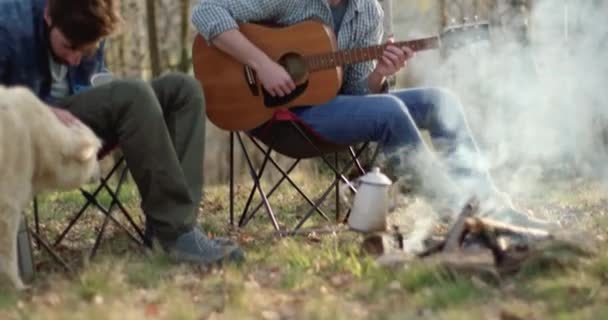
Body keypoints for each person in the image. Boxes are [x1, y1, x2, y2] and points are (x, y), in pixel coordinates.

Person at [191, 0, 558, 228]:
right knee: (391, 110)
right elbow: (206, 11)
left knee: (440, 100)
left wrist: (380, 73)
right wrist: (262, 65)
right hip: (284, 120)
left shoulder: (369, 12)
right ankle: (456, 209)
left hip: (333, 111)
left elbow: (353, 95)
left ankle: (488, 200)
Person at [0, 0, 244, 264]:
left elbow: (92, 82)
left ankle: (177, 227)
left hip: (78, 119)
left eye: (85, 51)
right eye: (69, 46)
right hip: (27, 129)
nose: (74, 60)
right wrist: (39, 110)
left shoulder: (91, 16)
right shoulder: (9, 24)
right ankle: (173, 235)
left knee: (183, 89)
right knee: (133, 94)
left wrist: (103, 85)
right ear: (48, 15)